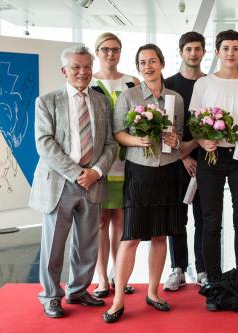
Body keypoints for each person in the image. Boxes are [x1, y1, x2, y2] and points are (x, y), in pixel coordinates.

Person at [28, 45, 115, 318]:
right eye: (76, 67)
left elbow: (111, 143)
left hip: (93, 182)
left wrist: (96, 171)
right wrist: (77, 172)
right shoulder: (47, 101)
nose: (82, 72)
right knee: (54, 244)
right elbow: (44, 143)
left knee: (87, 243)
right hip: (60, 183)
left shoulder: (101, 101)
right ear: (64, 71)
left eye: (87, 67)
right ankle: (51, 295)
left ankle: (78, 291)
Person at [103, 44, 185, 323]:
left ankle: (153, 292)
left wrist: (175, 141)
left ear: (162, 64)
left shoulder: (176, 97)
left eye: (152, 61)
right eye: (142, 63)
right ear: (138, 68)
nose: (148, 66)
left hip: (168, 171)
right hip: (139, 172)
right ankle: (118, 299)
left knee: (161, 235)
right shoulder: (129, 96)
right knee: (131, 237)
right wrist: (138, 140)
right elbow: (118, 133)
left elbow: (179, 138)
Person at [189, 29, 238, 311]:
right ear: (217, 52)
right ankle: (215, 282)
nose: (230, 53)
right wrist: (202, 138)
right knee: (210, 220)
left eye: (235, 48)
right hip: (211, 155)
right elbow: (195, 121)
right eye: (225, 48)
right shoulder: (204, 84)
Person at [91, 32, 141, 298]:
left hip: (126, 160)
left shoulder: (132, 82)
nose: (111, 54)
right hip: (99, 162)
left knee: (121, 221)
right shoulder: (89, 81)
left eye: (115, 49)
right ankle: (101, 280)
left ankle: (118, 275)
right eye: (105, 49)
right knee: (100, 222)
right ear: (97, 52)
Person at [163, 31, 208, 291]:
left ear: (203, 53)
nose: (193, 53)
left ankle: (202, 270)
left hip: (206, 161)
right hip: (176, 162)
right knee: (176, 218)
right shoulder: (169, 85)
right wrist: (184, 157)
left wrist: (195, 154)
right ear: (181, 52)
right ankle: (178, 268)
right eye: (188, 49)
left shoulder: (210, 83)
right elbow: (165, 128)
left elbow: (215, 123)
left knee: (205, 218)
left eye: (197, 49)